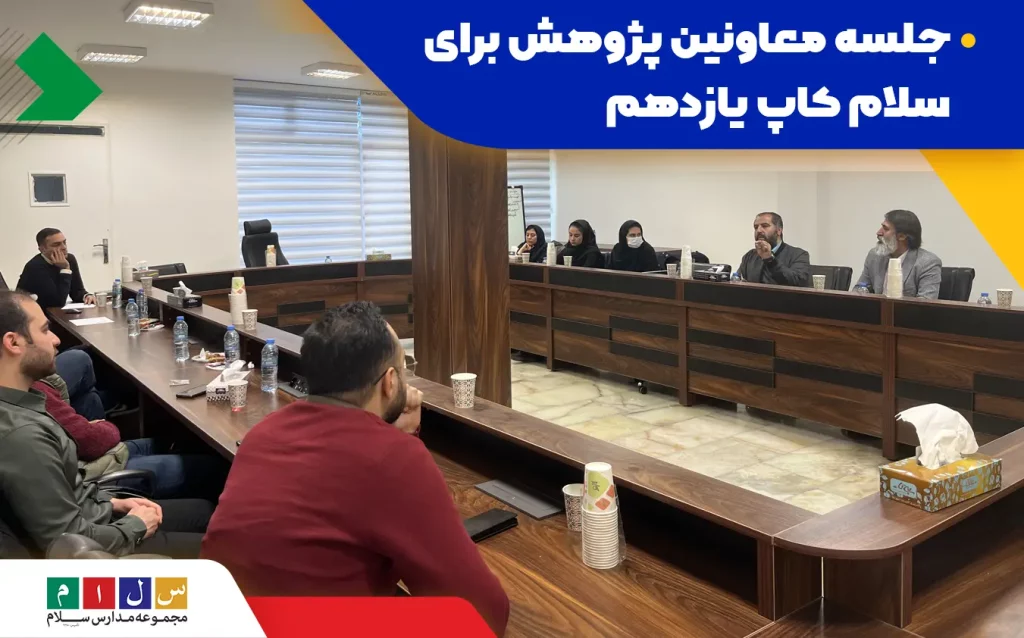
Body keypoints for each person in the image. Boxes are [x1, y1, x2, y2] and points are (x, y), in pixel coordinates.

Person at [201, 302, 510, 636]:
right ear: (390, 382)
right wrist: (402, 444)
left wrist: (394, 436)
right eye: (403, 369)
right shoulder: (393, 459)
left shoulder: (264, 432)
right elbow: (483, 614)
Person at [0, 290, 212, 558]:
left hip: (97, 516)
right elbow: (68, 541)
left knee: (205, 510)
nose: (56, 339)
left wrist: (112, 503)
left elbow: (68, 491)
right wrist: (135, 526)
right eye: (44, 330)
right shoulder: (22, 436)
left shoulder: (25, 402)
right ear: (14, 342)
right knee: (220, 546)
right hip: (96, 549)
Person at [31, 374, 227, 500]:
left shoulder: (29, 385)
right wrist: (99, 426)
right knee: (217, 468)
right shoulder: (34, 392)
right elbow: (92, 441)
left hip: (95, 459)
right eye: (44, 330)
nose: (55, 339)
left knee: (173, 441)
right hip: (93, 477)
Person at [855, 209, 941, 299]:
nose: (879, 232)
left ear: (902, 236)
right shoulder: (875, 255)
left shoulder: (928, 262)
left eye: (885, 229)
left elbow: (925, 302)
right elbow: (859, 288)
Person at [16, 228, 95, 309]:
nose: (64, 247)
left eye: (64, 242)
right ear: (42, 249)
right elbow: (57, 302)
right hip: (28, 312)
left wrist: (86, 296)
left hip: (52, 310)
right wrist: (65, 269)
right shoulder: (35, 266)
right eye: (56, 245)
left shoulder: (69, 259)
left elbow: (77, 291)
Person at [736, 212, 810, 287]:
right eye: (756, 227)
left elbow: (797, 282)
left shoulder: (799, 255)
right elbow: (737, 280)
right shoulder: (750, 256)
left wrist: (770, 260)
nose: (759, 230)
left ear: (779, 230)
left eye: (765, 226)